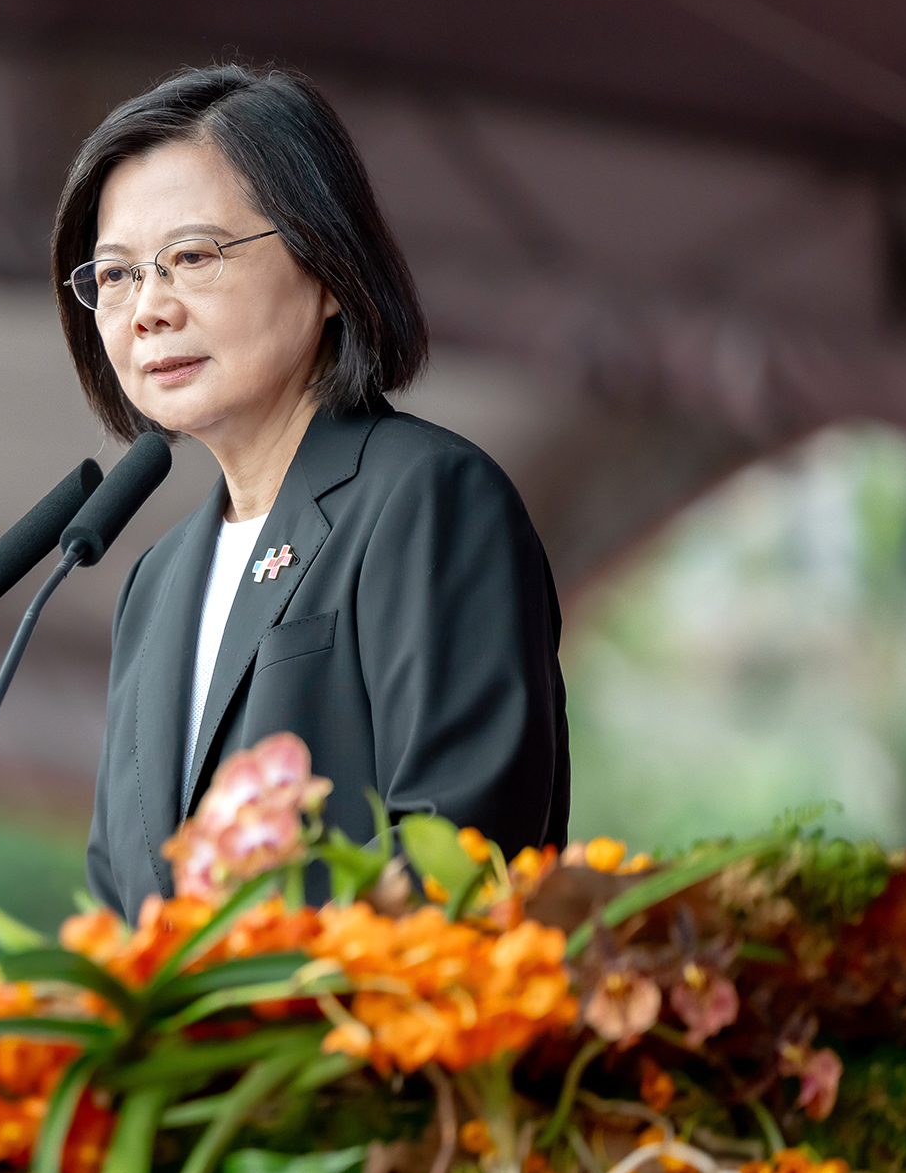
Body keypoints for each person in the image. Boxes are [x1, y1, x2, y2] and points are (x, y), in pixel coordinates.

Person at [59, 65, 569, 918]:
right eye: (114, 276)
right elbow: (127, 909)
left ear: (327, 267)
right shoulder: (155, 582)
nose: (147, 309)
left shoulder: (426, 499)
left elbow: (461, 857)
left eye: (190, 257)